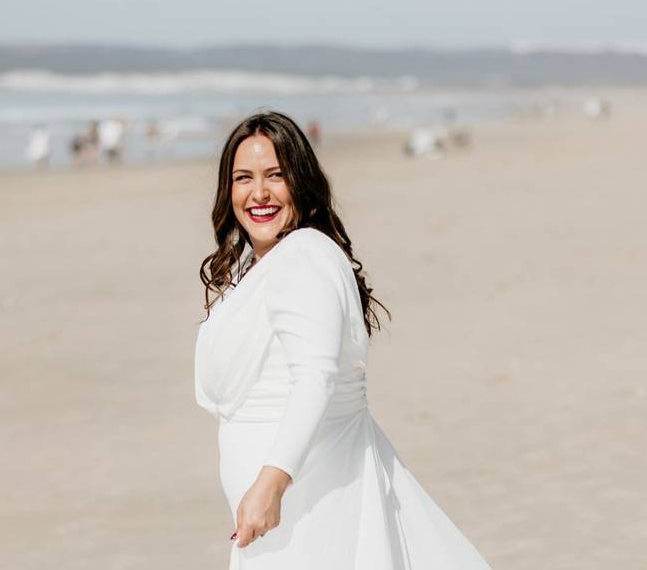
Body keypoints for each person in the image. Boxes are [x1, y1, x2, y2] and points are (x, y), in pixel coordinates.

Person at [195, 111, 492, 569]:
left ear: (301, 181)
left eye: (276, 176)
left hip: (313, 505)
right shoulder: (254, 267)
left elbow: (315, 378)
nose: (259, 193)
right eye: (243, 178)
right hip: (284, 511)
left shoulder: (302, 259)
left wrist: (270, 486)